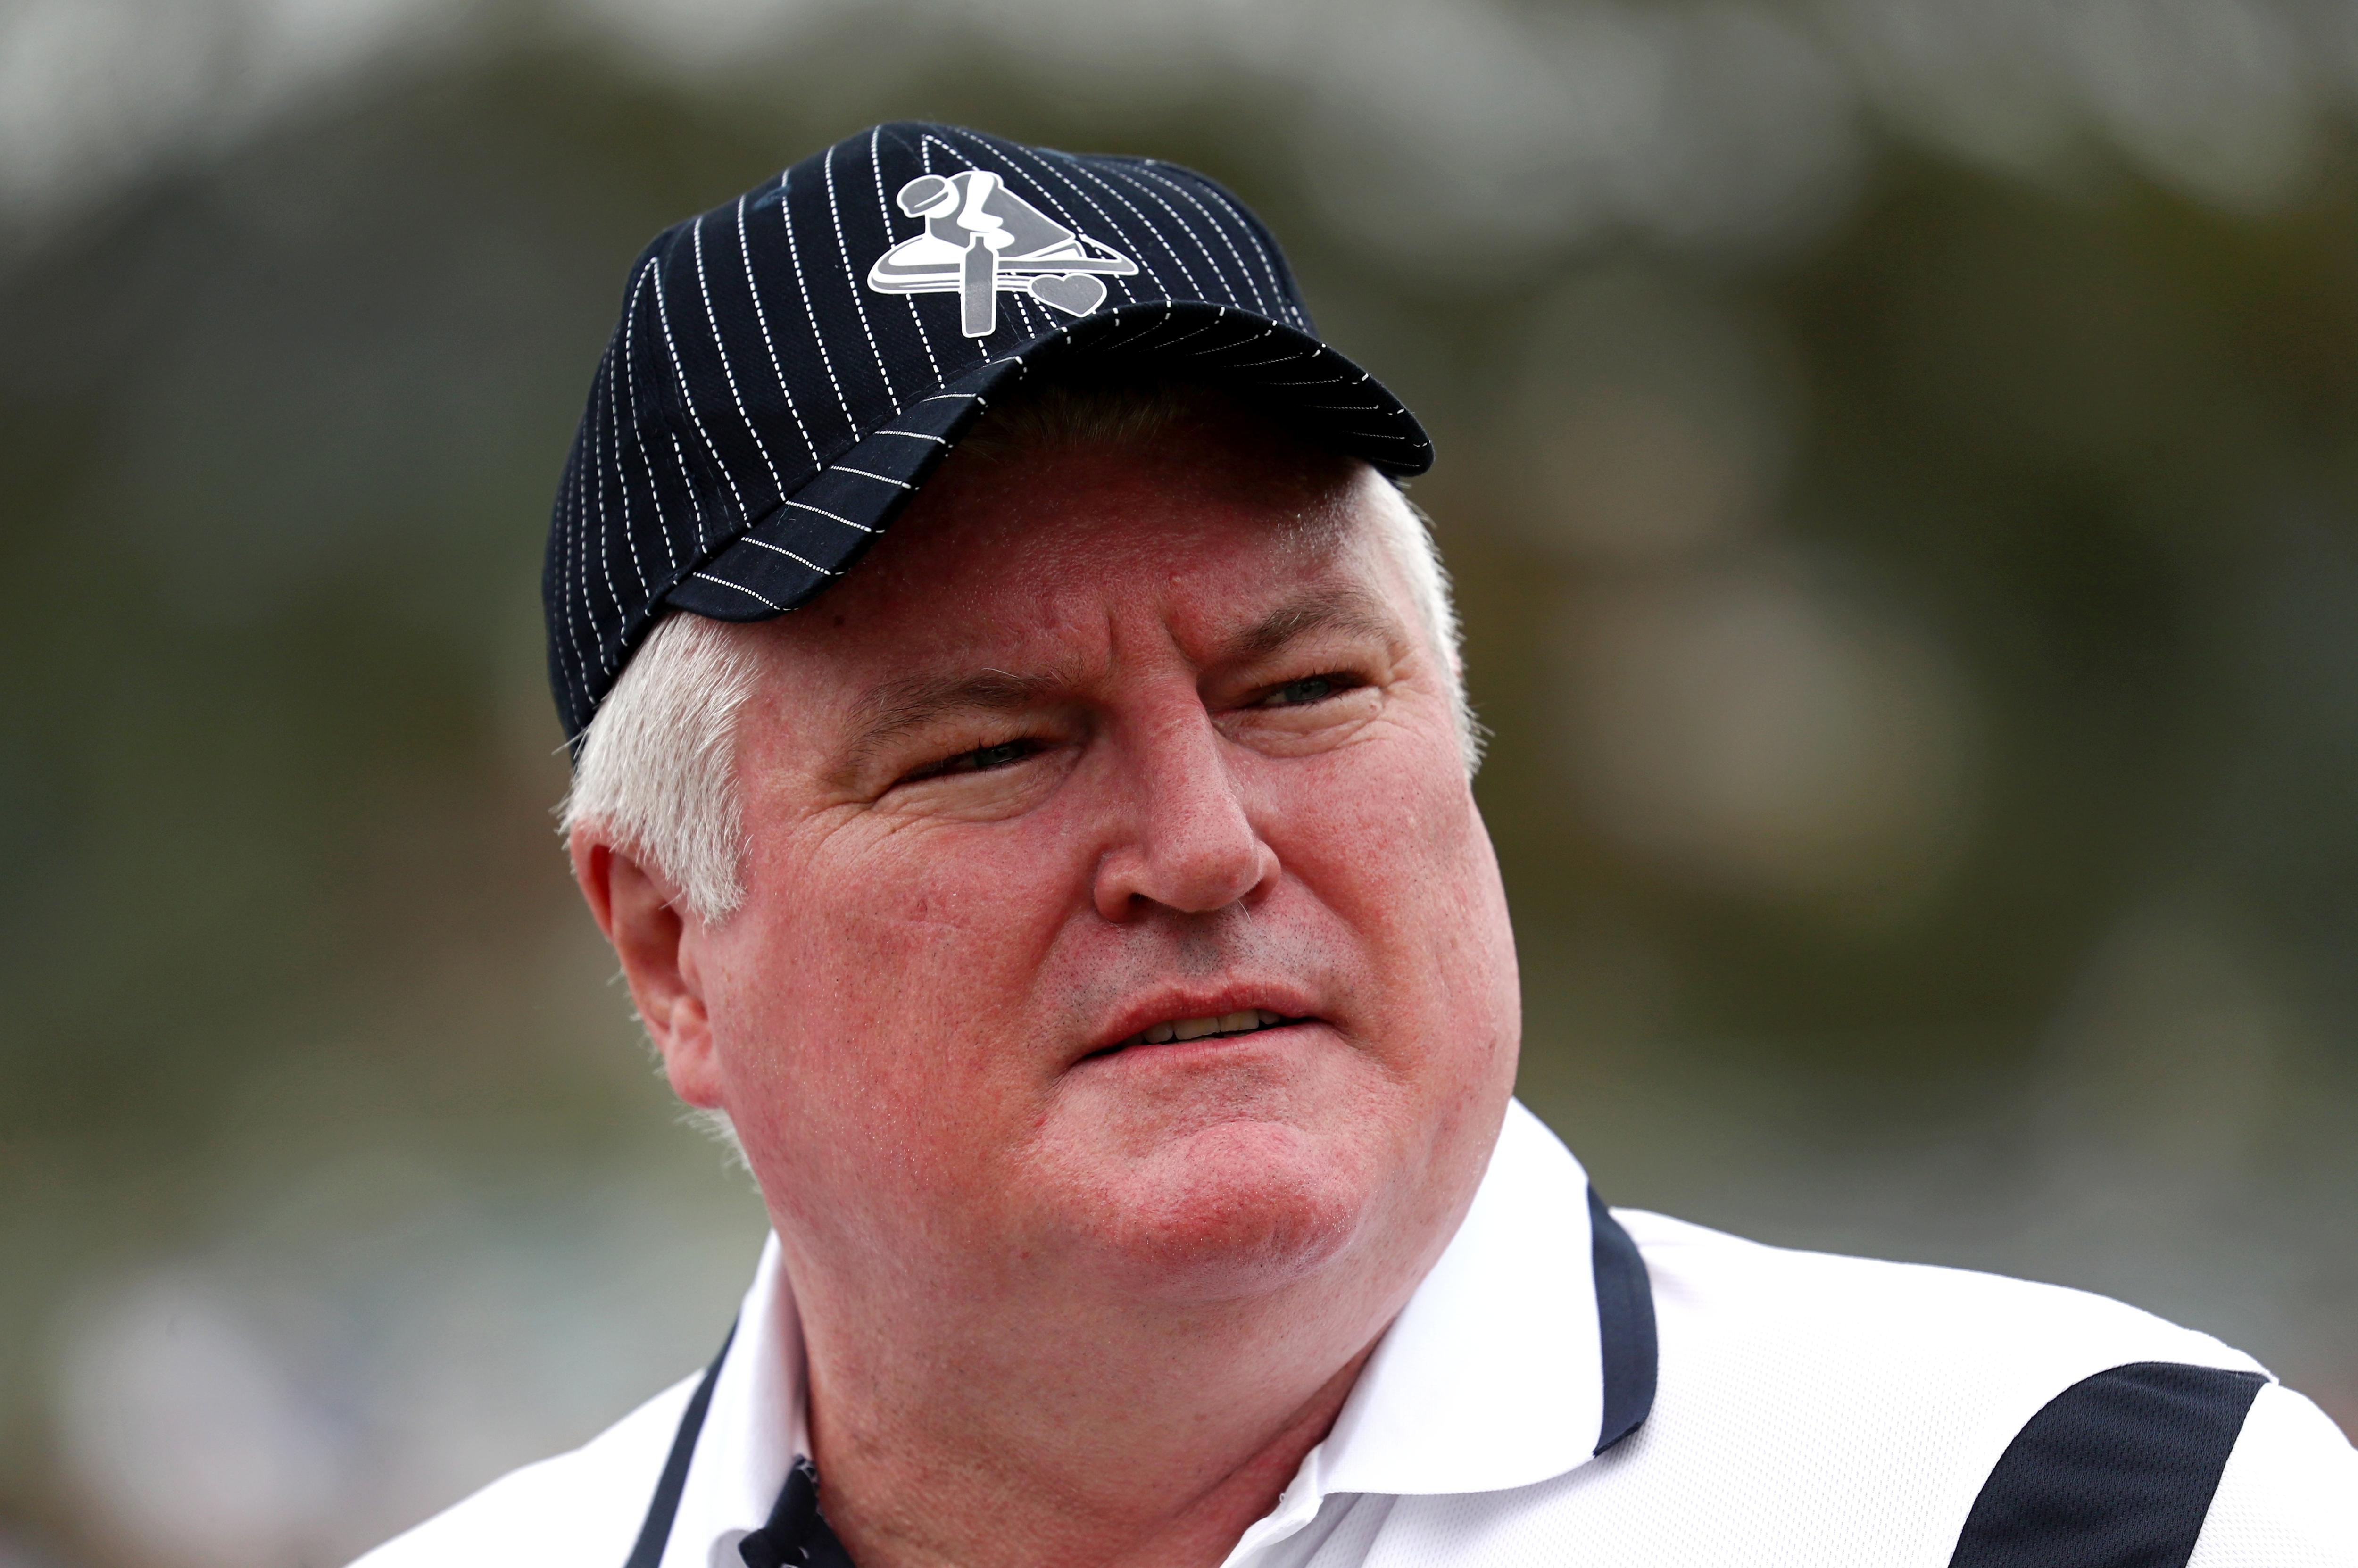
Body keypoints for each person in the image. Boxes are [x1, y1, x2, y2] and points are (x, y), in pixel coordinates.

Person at [353, 123, 2356, 1568]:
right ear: (671, 951)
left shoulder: (2087, 1515)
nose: (1202, 843)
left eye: (1303, 688)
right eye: (993, 746)